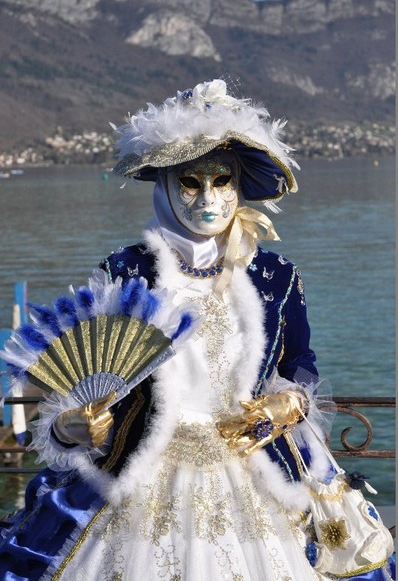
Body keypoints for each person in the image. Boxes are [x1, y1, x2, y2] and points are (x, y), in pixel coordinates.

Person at [0, 79, 394, 581]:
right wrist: (73, 426)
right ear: (165, 184)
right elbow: (81, 378)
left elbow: (299, 366)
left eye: (221, 180)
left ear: (240, 184)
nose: (208, 196)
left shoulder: (274, 275)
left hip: (251, 463)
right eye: (191, 181)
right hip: (138, 471)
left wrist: (286, 404)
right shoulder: (129, 271)